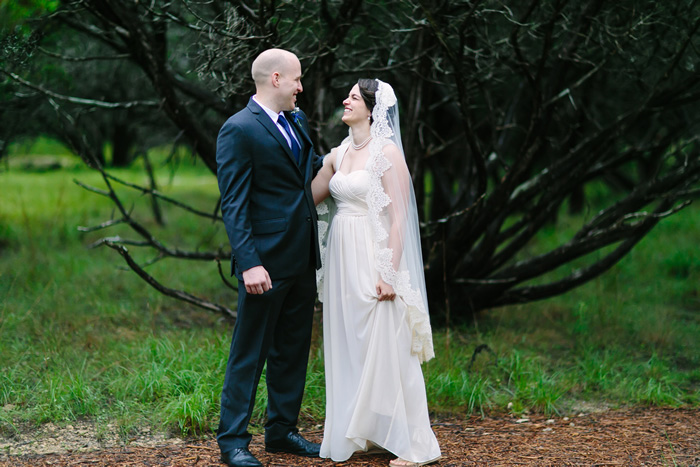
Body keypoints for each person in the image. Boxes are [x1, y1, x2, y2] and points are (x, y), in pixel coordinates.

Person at [311, 79, 442, 466]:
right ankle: (359, 432)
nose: (345, 101)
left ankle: (416, 443)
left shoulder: (387, 153)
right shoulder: (337, 154)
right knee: (349, 342)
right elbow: (309, 195)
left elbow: (400, 218)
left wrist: (389, 270)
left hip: (374, 253)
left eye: (353, 97)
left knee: (388, 343)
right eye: (347, 96)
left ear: (372, 108)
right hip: (341, 257)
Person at [215, 48, 324, 467]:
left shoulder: (297, 121)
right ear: (275, 79)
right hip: (264, 262)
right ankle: (233, 442)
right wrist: (249, 262)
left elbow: (310, 172)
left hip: (302, 257)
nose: (301, 87)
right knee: (250, 351)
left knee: (292, 350)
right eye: (296, 79)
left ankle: (281, 432)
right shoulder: (239, 129)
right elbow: (235, 203)